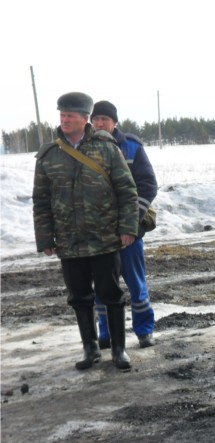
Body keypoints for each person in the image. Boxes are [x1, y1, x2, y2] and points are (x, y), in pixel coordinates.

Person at [32, 92, 139, 371]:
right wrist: (45, 237)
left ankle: (118, 350)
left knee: (111, 293)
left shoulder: (106, 148)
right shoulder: (49, 154)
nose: (64, 119)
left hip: (104, 239)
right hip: (69, 241)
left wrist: (128, 227)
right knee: (79, 297)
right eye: (62, 115)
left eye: (70, 115)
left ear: (84, 118)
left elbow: (127, 191)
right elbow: (41, 200)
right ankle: (90, 349)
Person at [91, 100, 158, 349]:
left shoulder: (131, 146)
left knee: (136, 283)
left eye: (104, 119)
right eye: (96, 119)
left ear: (114, 122)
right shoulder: (87, 147)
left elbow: (148, 184)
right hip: (99, 233)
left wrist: (132, 222)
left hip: (130, 232)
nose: (100, 124)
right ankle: (106, 333)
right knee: (102, 286)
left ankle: (144, 331)